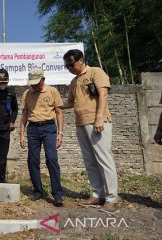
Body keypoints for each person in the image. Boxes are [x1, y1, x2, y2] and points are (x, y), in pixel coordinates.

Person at [62, 49, 119, 214]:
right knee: (89, 160)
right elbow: (70, 103)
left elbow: (103, 95)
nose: (69, 68)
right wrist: (55, 105)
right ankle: (97, 194)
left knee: (104, 159)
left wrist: (99, 118)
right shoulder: (74, 81)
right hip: (81, 124)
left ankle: (112, 199)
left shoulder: (96, 72)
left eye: (71, 64)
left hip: (97, 122)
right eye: (67, 66)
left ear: (81, 60)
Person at [20, 68, 64, 207]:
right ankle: (38, 191)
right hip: (32, 129)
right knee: (32, 160)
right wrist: (22, 134)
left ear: (43, 80)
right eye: (32, 83)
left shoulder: (52, 91)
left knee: (51, 159)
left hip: (49, 128)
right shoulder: (27, 94)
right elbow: (24, 115)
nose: (34, 86)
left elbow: (59, 113)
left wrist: (60, 133)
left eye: (36, 83)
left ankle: (57, 194)